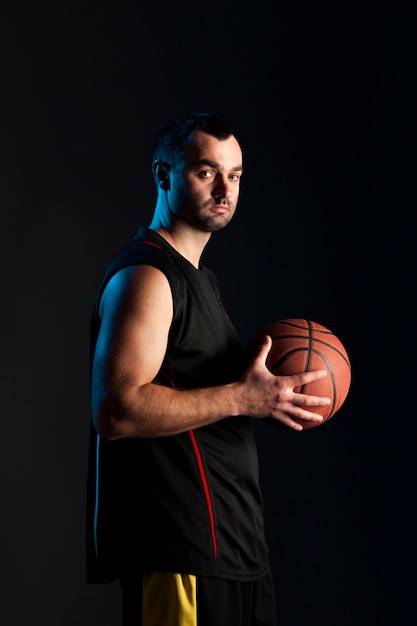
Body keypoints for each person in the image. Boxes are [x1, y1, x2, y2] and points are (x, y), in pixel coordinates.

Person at [86, 112, 330, 626]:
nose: (225, 189)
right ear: (163, 175)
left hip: (240, 555)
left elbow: (214, 399)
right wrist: (244, 397)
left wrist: (266, 395)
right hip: (183, 556)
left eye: (235, 175)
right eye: (206, 172)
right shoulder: (147, 276)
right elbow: (117, 409)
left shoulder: (203, 282)